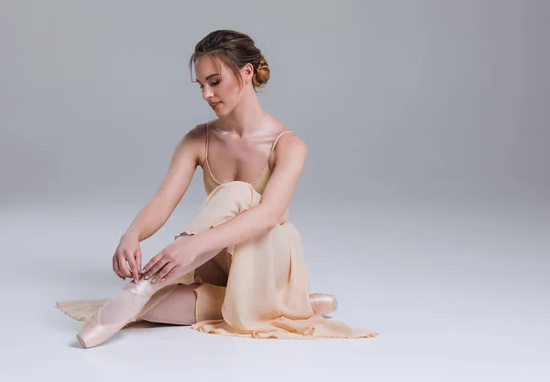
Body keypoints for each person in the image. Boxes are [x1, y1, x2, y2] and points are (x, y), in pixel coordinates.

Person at [56, 30, 378, 348]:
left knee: (236, 192)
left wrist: (192, 245)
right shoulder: (198, 139)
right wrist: (131, 235)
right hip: (216, 269)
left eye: (214, 82)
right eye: (201, 85)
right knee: (152, 313)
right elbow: (163, 202)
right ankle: (284, 302)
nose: (206, 95)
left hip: (265, 257)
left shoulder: (289, 145)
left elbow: (267, 215)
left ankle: (143, 287)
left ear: (247, 72)